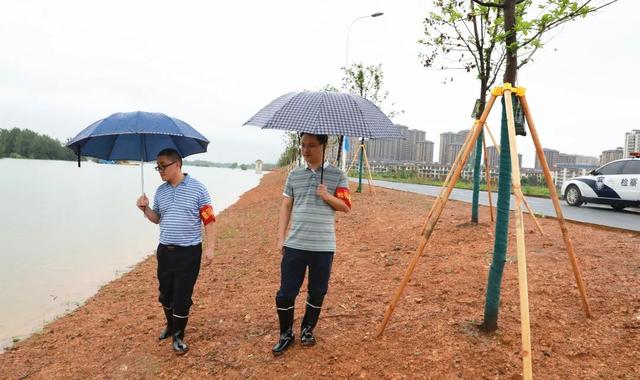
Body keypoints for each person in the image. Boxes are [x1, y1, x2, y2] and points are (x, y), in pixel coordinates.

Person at [272, 133, 352, 356]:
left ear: (324, 146)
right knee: (286, 293)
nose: (306, 150)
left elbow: (346, 206)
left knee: (317, 291)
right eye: (303, 146)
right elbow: (286, 206)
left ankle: (307, 329)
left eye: (311, 146)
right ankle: (285, 333)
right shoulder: (294, 175)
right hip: (295, 244)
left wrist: (327, 196)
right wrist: (281, 237)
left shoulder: (337, 175)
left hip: (323, 246)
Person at [136, 148, 216, 355]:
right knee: (166, 293)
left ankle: (179, 335)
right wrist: (145, 209)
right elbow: (158, 219)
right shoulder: (161, 191)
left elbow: (209, 220)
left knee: (182, 296)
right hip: (165, 251)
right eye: (158, 167)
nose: (160, 170)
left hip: (189, 253)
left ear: (177, 164)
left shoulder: (199, 189)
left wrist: (210, 248)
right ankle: (171, 326)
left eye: (163, 166)